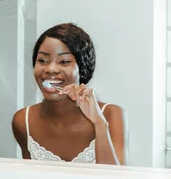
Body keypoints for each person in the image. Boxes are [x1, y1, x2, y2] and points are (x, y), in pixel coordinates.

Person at [12, 23, 128, 165]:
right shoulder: (23, 121)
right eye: (42, 60)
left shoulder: (111, 114)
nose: (51, 69)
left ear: (82, 68)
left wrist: (99, 123)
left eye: (64, 62)